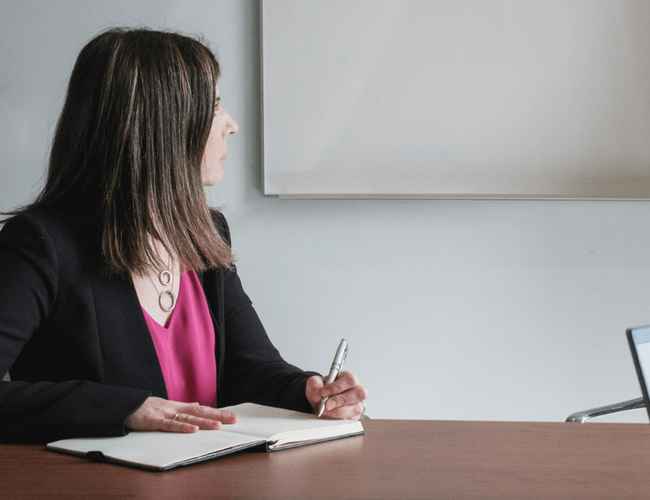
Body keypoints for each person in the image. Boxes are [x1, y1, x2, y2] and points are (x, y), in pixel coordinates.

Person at [0, 27, 367, 444]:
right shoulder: (39, 245)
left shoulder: (205, 232)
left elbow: (248, 367)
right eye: (214, 107)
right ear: (164, 127)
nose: (231, 125)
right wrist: (125, 408)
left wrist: (309, 391)